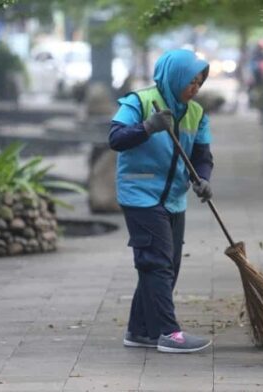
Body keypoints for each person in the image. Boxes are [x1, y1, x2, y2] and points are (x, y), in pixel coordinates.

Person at [108, 49, 214, 353]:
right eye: (190, 81)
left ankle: (139, 331)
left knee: (167, 265)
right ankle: (168, 332)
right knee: (158, 263)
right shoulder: (139, 102)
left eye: (199, 82)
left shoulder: (195, 113)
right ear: (174, 76)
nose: (194, 88)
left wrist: (203, 178)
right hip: (140, 194)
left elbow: (202, 156)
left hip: (174, 198)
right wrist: (147, 127)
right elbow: (115, 138)